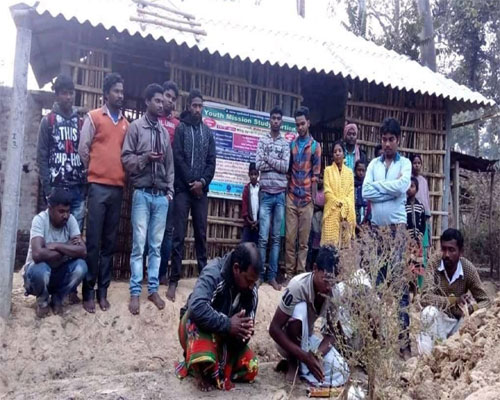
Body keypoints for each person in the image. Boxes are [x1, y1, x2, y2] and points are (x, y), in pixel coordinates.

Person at [176, 242, 261, 392]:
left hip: (226, 339)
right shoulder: (214, 273)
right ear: (236, 268)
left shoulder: (251, 289)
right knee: (195, 317)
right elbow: (197, 307)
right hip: (200, 329)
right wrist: (228, 324)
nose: (251, 286)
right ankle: (199, 367)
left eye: (254, 282)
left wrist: (242, 333)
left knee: (251, 367)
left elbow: (246, 330)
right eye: (248, 281)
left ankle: (215, 369)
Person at [121, 83, 175, 315]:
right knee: (138, 245)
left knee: (155, 246)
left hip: (160, 197)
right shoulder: (136, 128)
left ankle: (152, 290)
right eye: (157, 101)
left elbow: (170, 166)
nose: (161, 105)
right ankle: (135, 291)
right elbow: (126, 159)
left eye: (163, 101)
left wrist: (169, 192)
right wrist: (145, 158)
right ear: (147, 102)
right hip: (142, 194)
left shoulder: (164, 133)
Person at [78, 72, 129, 313]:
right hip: (97, 187)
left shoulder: (126, 124)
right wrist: (95, 171)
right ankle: (88, 292)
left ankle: (103, 292)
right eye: (116, 91)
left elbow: (127, 155)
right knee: (93, 241)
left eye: (122, 91)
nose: (120, 95)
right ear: (106, 94)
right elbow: (83, 148)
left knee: (109, 243)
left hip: (117, 188)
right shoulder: (94, 117)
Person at [362, 117, 412, 359]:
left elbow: (403, 187)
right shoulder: (373, 164)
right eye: (384, 139)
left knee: (399, 285)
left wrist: (380, 188)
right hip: (376, 230)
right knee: (377, 283)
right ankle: (377, 340)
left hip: (397, 230)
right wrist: (390, 190)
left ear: (398, 140)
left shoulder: (406, 164)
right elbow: (365, 191)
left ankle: (404, 342)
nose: (387, 143)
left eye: (391, 139)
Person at [269, 245, 349, 387]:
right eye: (325, 280)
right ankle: (293, 363)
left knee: (342, 370)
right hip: (287, 342)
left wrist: (317, 356)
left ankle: (303, 369)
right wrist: (304, 356)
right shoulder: (297, 286)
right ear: (315, 268)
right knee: (299, 309)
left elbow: (332, 334)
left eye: (332, 282)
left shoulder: (333, 292)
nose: (329, 287)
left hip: (307, 341)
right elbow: (274, 329)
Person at [37, 75, 86, 304]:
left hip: (76, 190)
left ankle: (69, 289)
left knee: (75, 239)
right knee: (51, 237)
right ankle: (45, 287)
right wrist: (48, 189)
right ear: (57, 95)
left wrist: (84, 183)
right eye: (64, 93)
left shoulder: (80, 122)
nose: (68, 97)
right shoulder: (48, 121)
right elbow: (41, 157)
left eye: (71, 92)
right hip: (56, 192)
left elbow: (86, 152)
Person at [168, 89, 216, 302]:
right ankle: (173, 280)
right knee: (178, 235)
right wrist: (191, 183)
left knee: (201, 234)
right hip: (183, 190)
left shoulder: (207, 132)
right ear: (189, 106)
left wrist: (202, 182)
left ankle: (204, 280)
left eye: (200, 106)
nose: (197, 109)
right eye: (194, 105)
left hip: (201, 192)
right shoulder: (181, 129)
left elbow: (211, 162)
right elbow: (178, 157)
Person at [417, 229, 490, 354]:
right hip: (439, 319)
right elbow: (425, 298)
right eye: (444, 249)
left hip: (458, 322)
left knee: (472, 319)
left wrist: (471, 308)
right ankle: (425, 360)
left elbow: (485, 301)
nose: (446, 254)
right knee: (428, 312)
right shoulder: (434, 264)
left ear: (461, 252)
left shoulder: (468, 269)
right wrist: (454, 300)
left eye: (451, 250)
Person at [22, 187, 87, 318]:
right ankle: (43, 301)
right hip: (35, 277)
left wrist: (57, 246)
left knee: (81, 267)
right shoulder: (40, 220)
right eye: (61, 211)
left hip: (58, 274)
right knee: (40, 269)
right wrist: (68, 248)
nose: (65, 215)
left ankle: (58, 298)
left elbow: (83, 251)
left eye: (68, 211)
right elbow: (37, 255)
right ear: (50, 208)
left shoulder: (71, 220)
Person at [255, 106, 290, 291]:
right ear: (269, 120)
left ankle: (272, 277)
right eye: (273, 118)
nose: (275, 121)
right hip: (266, 194)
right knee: (262, 238)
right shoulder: (262, 140)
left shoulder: (285, 144)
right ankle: (259, 276)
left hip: (279, 195)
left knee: (276, 238)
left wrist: (268, 159)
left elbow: (285, 167)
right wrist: (274, 163)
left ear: (281, 121)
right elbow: (258, 164)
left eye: (278, 118)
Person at [286, 106, 322, 279]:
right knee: (289, 239)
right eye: (297, 125)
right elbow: (288, 171)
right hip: (292, 198)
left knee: (303, 242)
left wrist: (313, 200)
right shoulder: (292, 145)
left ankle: (299, 275)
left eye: (302, 124)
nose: (299, 127)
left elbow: (316, 175)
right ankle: (289, 273)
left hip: (307, 199)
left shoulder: (315, 147)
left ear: (308, 122)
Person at [159, 81, 180, 285]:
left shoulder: (177, 125)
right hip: (150, 184)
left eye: (173, 99)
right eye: (167, 96)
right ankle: (146, 272)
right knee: (148, 231)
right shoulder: (151, 119)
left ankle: (162, 273)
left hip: (169, 185)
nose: (170, 101)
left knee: (167, 232)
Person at [321, 141, 356, 248]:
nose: (337, 153)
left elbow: (351, 192)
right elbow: (327, 191)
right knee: (330, 247)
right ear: (332, 155)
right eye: (335, 151)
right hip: (332, 211)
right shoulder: (328, 171)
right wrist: (338, 202)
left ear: (343, 153)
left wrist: (345, 204)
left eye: (339, 151)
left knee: (344, 249)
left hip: (346, 212)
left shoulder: (349, 172)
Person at [410, 153, 431, 287]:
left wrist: (427, 218)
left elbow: (427, 200)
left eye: (419, 163)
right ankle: (411, 285)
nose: (417, 165)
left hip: (423, 220)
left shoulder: (423, 181)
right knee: (411, 256)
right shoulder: (409, 181)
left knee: (422, 253)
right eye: (414, 163)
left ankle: (421, 285)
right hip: (412, 225)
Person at [406, 177, 426, 288]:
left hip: (417, 242)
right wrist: (406, 237)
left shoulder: (420, 206)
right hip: (408, 242)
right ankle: (408, 287)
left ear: (417, 189)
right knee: (408, 264)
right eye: (408, 186)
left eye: (412, 186)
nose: (410, 189)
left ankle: (416, 289)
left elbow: (423, 224)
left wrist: (419, 237)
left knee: (416, 265)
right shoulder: (404, 205)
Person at [306, 174, 324, 270]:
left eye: (322, 178)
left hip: (322, 219)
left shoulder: (326, 192)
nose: (320, 180)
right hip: (312, 219)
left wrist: (319, 207)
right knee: (311, 242)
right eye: (319, 178)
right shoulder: (313, 192)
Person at [241, 162, 260, 244]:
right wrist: (249, 221)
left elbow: (263, 206)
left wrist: (258, 221)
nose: (253, 176)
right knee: (244, 245)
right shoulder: (246, 189)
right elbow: (244, 206)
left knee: (257, 245)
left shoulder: (261, 189)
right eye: (251, 174)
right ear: (248, 175)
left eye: (255, 174)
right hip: (248, 223)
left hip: (259, 223)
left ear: (258, 175)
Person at [354, 160, 371, 226]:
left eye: (363, 170)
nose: (361, 173)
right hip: (354, 216)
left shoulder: (368, 184)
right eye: (359, 170)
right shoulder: (351, 183)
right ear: (355, 170)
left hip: (366, 217)